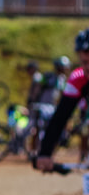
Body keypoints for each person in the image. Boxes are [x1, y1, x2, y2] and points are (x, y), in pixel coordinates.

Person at [35, 29, 89, 172]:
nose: (88, 67)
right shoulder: (78, 79)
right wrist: (45, 152)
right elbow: (60, 117)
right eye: (85, 62)